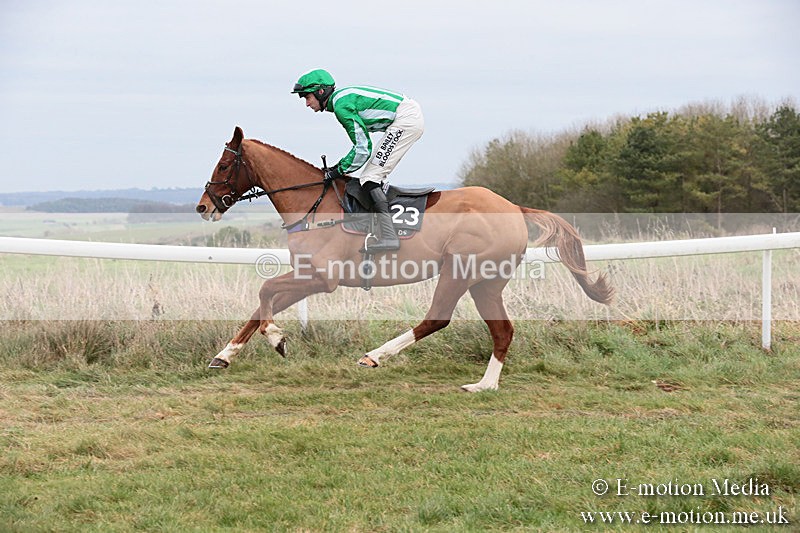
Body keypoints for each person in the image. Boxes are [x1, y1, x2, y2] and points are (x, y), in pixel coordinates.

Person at [292, 69, 424, 251]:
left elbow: (363, 148)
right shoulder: (340, 100)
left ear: (320, 92)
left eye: (307, 97)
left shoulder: (341, 107)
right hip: (406, 117)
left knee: (370, 177)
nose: (307, 104)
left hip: (406, 120)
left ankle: (389, 236)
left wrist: (338, 170)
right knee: (371, 175)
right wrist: (339, 167)